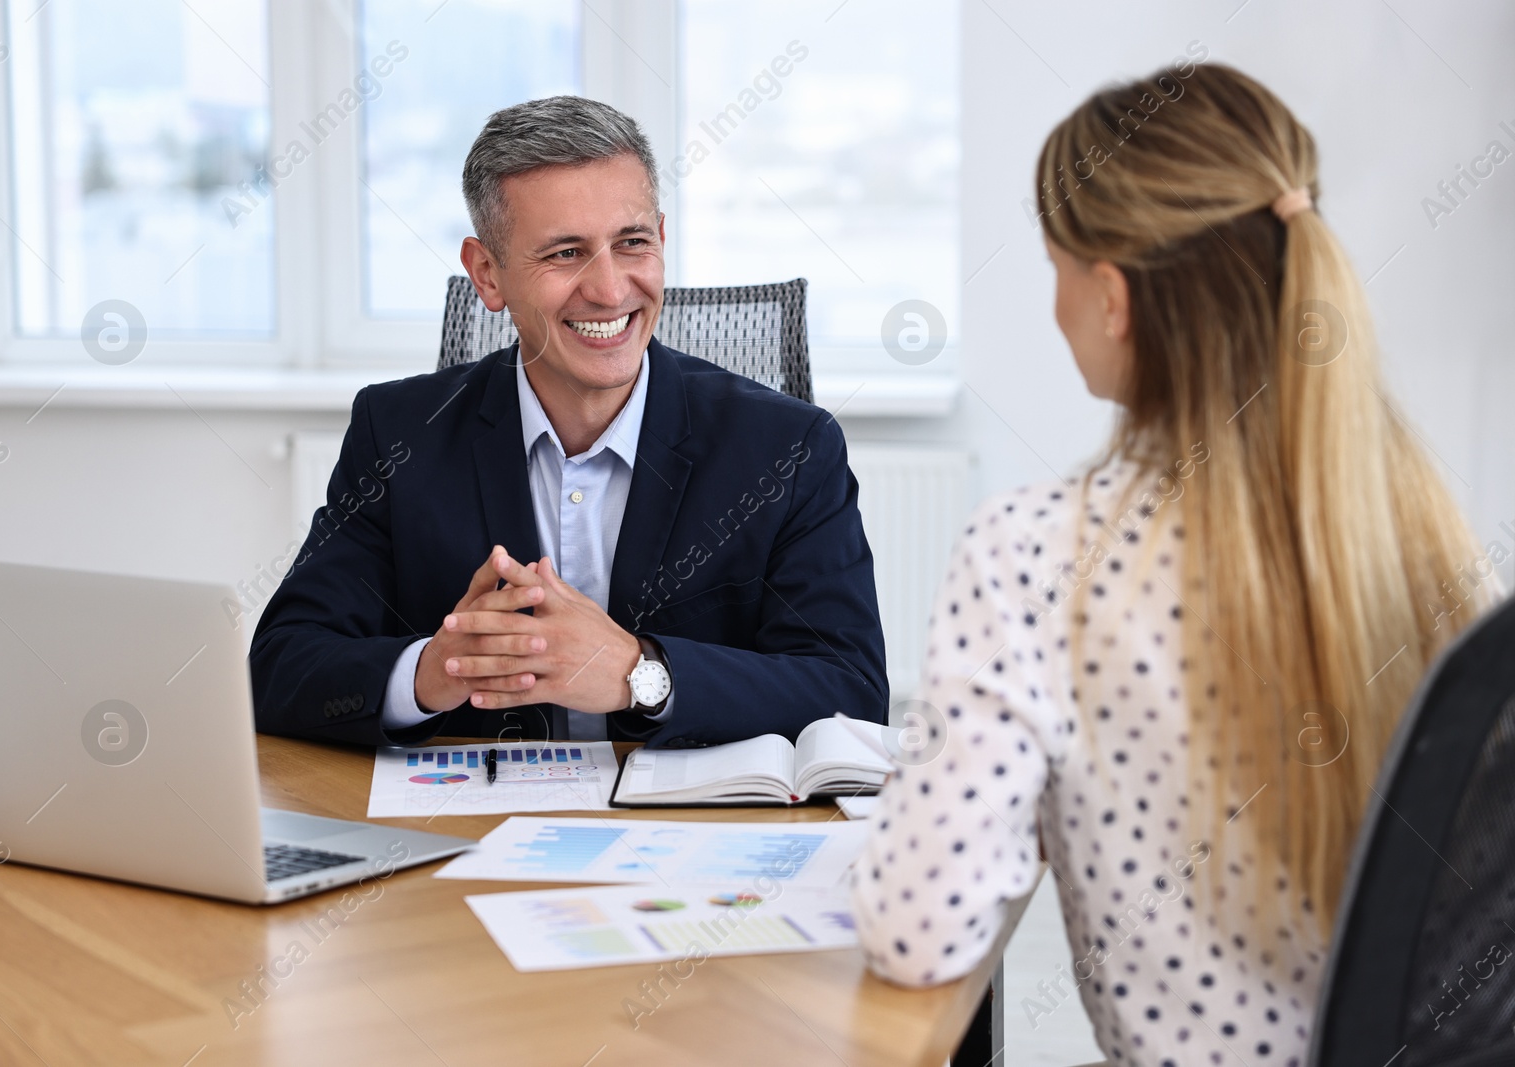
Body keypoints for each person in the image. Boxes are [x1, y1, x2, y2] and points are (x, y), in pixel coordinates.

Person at [851, 63, 1493, 1063]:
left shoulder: (1033, 555)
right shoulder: (1426, 528)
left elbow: (918, 928)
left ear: (1110, 297)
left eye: (1055, 263)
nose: (1053, 301)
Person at [250, 96, 887, 749]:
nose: (610, 290)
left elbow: (852, 693)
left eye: (631, 243)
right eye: (565, 253)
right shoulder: (398, 433)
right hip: (465, 837)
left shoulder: (789, 450)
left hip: (696, 837)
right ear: (488, 275)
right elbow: (277, 669)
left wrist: (638, 673)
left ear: (661, 240)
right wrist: (435, 669)